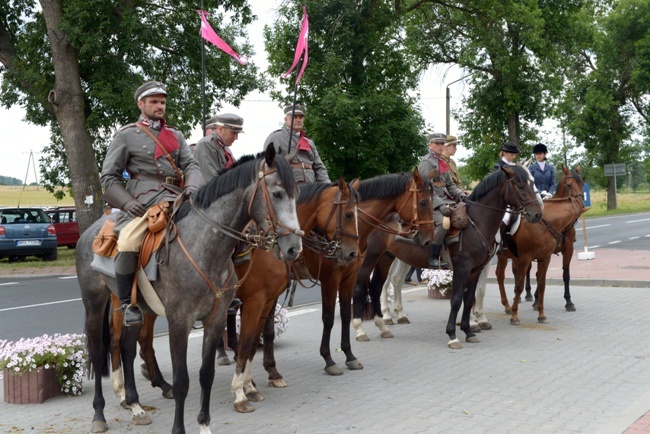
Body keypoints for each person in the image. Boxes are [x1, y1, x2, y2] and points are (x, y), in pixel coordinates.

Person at [101, 80, 204, 326]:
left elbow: (191, 165)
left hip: (177, 196)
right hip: (143, 201)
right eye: (154, 102)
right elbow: (109, 177)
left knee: (210, 230)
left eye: (162, 102)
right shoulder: (127, 135)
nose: (160, 106)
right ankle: (127, 304)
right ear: (141, 104)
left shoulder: (175, 135)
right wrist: (126, 203)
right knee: (127, 241)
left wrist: (192, 186)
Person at [418, 133, 466, 269]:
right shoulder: (427, 163)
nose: (440, 146)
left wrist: (461, 195)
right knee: (444, 223)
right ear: (430, 145)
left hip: (446, 199)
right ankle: (432, 257)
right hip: (429, 202)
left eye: (442, 144)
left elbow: (450, 185)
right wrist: (439, 205)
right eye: (437, 144)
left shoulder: (442, 162)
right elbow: (425, 188)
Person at [263, 104, 331, 185]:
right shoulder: (275, 138)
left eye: (301, 117)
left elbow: (319, 167)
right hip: (288, 188)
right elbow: (267, 165)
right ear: (286, 119)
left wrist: (326, 185)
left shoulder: (309, 142)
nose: (298, 120)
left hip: (311, 187)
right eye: (295, 117)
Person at [193, 113, 244, 179]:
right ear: (220, 129)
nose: (236, 137)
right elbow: (212, 181)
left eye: (237, 133)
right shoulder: (206, 145)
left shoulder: (225, 149)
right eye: (233, 133)